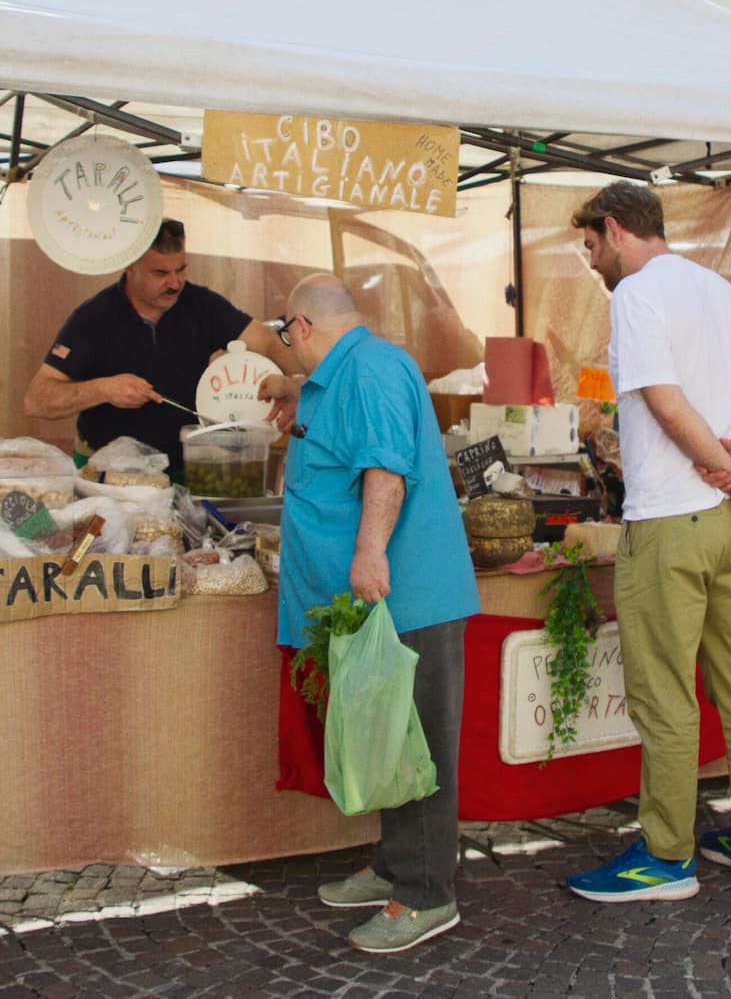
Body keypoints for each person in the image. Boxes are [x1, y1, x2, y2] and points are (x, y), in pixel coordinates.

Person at [565, 182, 731, 904]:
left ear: (614, 230)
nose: (589, 258)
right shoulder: (717, 290)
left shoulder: (633, 294)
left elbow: (662, 400)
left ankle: (666, 857)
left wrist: (726, 465)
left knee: (665, 697)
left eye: (590, 245)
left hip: (670, 520)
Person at [259, 273, 479, 954]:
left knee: (418, 747)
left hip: (404, 594)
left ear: (300, 327)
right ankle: (394, 862)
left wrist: (369, 555)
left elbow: (385, 469)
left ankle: (426, 894)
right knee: (386, 737)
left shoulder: (374, 369)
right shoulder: (342, 373)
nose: (287, 349)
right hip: (373, 600)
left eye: (283, 337)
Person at [23, 218, 287, 474]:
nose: (174, 283)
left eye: (181, 269)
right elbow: (37, 401)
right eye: (160, 273)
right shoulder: (93, 318)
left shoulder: (202, 305)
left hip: (187, 468)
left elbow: (265, 342)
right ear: (130, 267)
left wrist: (304, 385)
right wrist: (104, 389)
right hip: (106, 472)